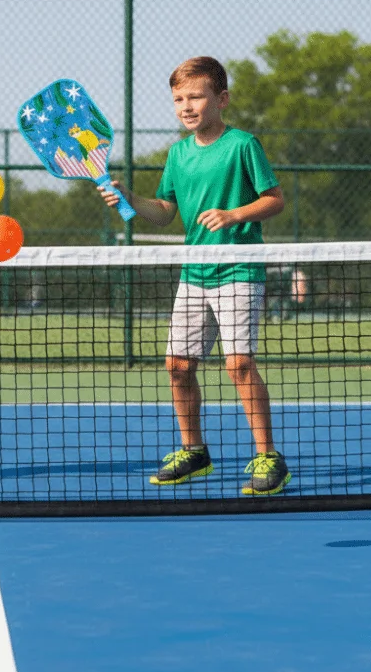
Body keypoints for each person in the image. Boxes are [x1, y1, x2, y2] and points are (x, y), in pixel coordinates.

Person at [99, 56, 291, 496]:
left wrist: (234, 214)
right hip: (194, 274)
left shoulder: (243, 144)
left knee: (239, 364)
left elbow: (275, 199)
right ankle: (194, 451)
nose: (187, 106)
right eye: (179, 99)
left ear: (220, 99)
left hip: (239, 268)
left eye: (196, 97)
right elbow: (164, 213)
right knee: (178, 365)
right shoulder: (177, 154)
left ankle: (268, 457)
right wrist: (128, 197)